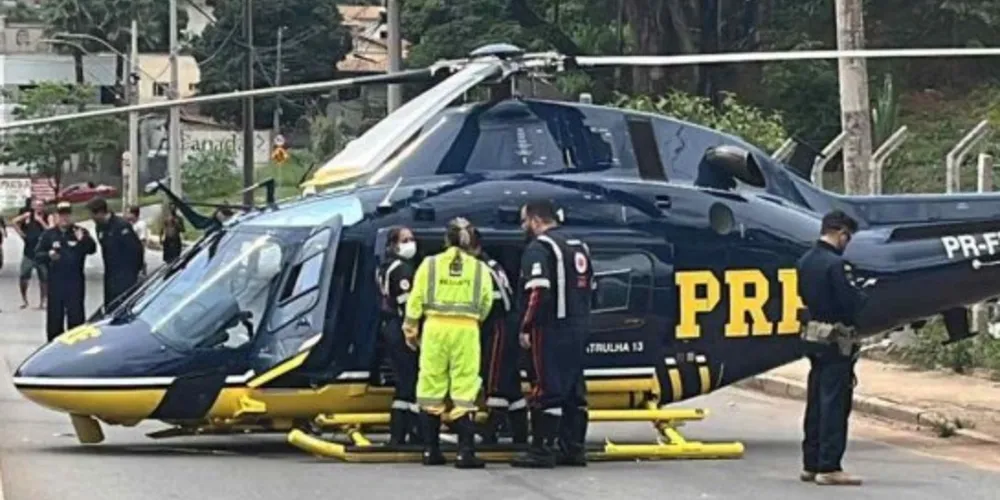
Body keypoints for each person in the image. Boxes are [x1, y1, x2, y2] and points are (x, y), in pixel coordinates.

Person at [403, 217, 494, 469]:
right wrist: (473, 319)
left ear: (445, 239)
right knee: (465, 387)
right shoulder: (480, 268)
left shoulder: (429, 265)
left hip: (434, 328)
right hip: (466, 329)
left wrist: (411, 330)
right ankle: (466, 453)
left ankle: (430, 450)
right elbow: (486, 302)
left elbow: (415, 299)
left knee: (430, 385)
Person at [511, 199, 593, 469]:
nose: (523, 227)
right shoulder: (579, 245)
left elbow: (538, 291)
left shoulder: (540, 247)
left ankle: (541, 450)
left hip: (550, 328)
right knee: (574, 391)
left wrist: (526, 325)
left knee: (546, 389)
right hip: (578, 326)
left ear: (535, 220)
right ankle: (573, 448)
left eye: (524, 221)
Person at [795, 209, 867, 486]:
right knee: (834, 403)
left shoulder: (805, 261)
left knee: (815, 401)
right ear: (841, 233)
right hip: (837, 340)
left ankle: (810, 463)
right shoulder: (836, 265)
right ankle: (829, 466)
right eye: (848, 237)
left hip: (814, 336)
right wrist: (862, 295)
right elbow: (850, 302)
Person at [469, 228, 528, 445]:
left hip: (498, 324)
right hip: (507, 322)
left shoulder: (480, 268)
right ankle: (520, 432)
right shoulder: (492, 264)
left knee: (494, 377)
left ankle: (491, 428)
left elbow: (489, 302)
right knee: (510, 382)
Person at [375, 226, 422, 445]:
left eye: (411, 239)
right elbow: (407, 305)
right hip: (401, 327)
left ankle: (399, 433)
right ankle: (412, 432)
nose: (410, 243)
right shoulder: (402, 269)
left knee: (404, 382)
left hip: (391, 327)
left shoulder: (385, 267)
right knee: (411, 380)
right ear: (393, 245)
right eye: (405, 240)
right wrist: (414, 332)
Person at [35, 202, 96, 341]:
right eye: (61, 215)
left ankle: (76, 346)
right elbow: (38, 255)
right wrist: (48, 255)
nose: (64, 218)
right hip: (56, 282)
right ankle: (54, 345)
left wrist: (83, 240)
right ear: (56, 216)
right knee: (55, 318)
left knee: (76, 317)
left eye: (67, 215)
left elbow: (92, 249)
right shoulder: (49, 234)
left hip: (75, 282)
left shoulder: (79, 232)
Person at [87, 198, 144, 308]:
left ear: (100, 212)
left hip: (126, 277)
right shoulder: (100, 227)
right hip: (110, 277)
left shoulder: (121, 225)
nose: (91, 218)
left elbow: (136, 249)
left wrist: (138, 271)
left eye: (92, 215)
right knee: (111, 307)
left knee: (125, 307)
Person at [12, 198, 51, 309]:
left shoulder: (48, 216)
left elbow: (51, 230)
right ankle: (24, 300)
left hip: (42, 252)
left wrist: (41, 221)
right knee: (24, 276)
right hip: (29, 252)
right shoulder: (28, 216)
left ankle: (43, 301)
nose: (39, 207)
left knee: (44, 278)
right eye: (36, 205)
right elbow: (14, 222)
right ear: (32, 206)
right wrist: (22, 235)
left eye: (41, 205)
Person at [124, 205, 149, 276]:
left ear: (133, 214)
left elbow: (143, 241)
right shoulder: (130, 224)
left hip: (137, 256)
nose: (126, 215)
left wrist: (141, 257)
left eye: (128, 213)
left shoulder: (141, 224)